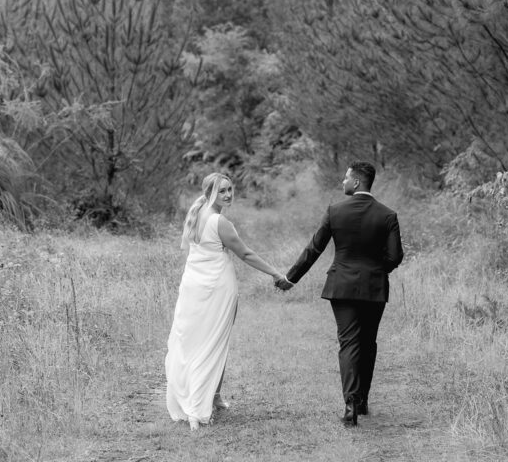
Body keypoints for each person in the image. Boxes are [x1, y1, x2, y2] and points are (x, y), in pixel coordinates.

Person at [275, 161, 404, 426]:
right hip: (374, 287)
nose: (342, 182)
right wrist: (376, 270)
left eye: (346, 178)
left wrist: (291, 278)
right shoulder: (387, 215)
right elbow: (395, 256)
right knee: (368, 343)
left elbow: (314, 249)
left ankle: (350, 404)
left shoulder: (335, 211)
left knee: (348, 343)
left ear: (357, 182)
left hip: (341, 287)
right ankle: (362, 401)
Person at [165, 172, 293, 431]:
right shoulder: (219, 221)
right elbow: (245, 253)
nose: (228, 195)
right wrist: (276, 273)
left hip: (192, 286)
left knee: (196, 341)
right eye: (222, 191)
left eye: (230, 189)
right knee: (214, 342)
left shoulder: (194, 214)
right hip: (215, 288)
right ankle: (200, 404)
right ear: (210, 192)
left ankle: (213, 395)